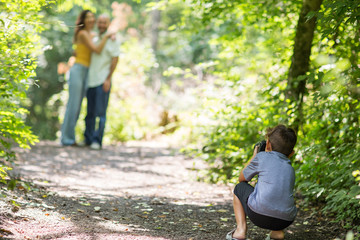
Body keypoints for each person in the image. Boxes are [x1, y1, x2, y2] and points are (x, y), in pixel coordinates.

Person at [226, 125, 298, 240]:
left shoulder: (262, 157)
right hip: (285, 220)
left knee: (239, 188)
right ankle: (277, 233)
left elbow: (242, 178)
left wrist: (255, 156)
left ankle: (240, 231)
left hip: (258, 215)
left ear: (267, 144)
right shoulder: (290, 169)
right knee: (279, 195)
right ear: (291, 153)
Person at [61, 10, 113, 146]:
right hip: (78, 69)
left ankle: (70, 137)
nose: (91, 20)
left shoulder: (92, 34)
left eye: (92, 17)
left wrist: (111, 35)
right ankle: (66, 139)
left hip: (87, 72)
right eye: (88, 17)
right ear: (83, 20)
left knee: (78, 106)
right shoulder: (83, 34)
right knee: (73, 105)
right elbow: (96, 50)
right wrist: (107, 37)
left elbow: (99, 37)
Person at [83, 14, 120, 150]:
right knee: (90, 112)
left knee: (100, 113)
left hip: (102, 80)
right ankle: (88, 138)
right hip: (91, 80)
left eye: (105, 22)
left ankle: (97, 141)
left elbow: (115, 59)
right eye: (100, 22)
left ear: (108, 23)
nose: (102, 25)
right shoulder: (95, 37)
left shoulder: (113, 40)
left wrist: (108, 78)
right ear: (97, 23)